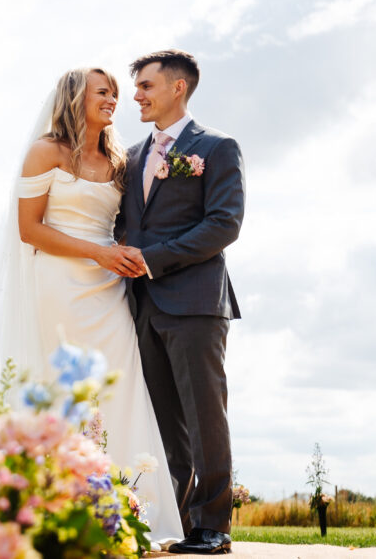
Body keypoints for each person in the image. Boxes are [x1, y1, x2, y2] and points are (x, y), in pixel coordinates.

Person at [0, 66, 185, 549]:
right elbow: (30, 229)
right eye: (104, 92)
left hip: (108, 287)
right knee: (63, 387)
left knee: (121, 388)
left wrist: (119, 252)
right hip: (58, 284)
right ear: (76, 96)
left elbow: (127, 223)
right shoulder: (46, 151)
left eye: (117, 94)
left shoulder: (122, 159)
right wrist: (99, 252)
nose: (114, 101)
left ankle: (134, 509)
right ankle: (60, 505)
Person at [118, 50, 244, 555]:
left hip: (194, 302)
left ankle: (212, 527)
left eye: (146, 85)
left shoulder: (216, 147)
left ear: (178, 88)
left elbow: (223, 225)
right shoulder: (128, 156)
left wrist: (149, 258)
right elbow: (125, 223)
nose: (137, 96)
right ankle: (172, 522)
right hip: (141, 305)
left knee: (204, 416)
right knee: (163, 422)